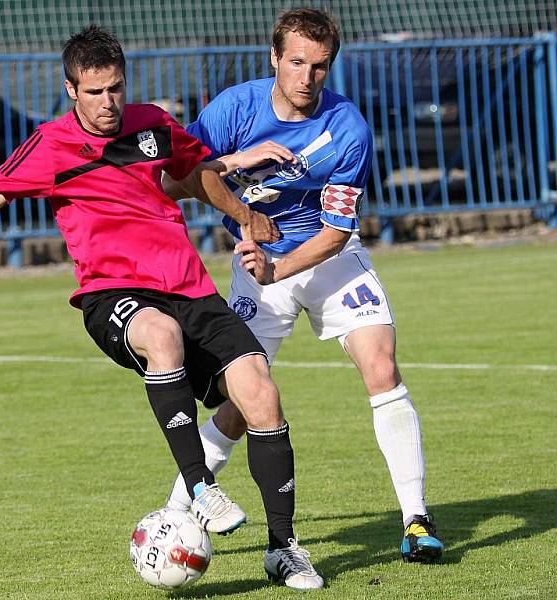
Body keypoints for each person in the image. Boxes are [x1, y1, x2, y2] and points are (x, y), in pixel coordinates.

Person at [0, 26, 324, 590]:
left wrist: (245, 215)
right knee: (161, 335)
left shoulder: (151, 124)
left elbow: (195, 173)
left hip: (188, 285)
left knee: (259, 393)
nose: (108, 104)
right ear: (71, 89)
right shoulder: (49, 145)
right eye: (95, 93)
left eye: (116, 89)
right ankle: (199, 485)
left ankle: (283, 548)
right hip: (112, 293)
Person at [163, 8, 444, 563]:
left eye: (319, 66)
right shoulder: (235, 109)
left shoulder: (348, 129)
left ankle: (415, 519)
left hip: (324, 260)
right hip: (257, 263)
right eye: (296, 62)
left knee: (381, 365)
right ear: (274, 58)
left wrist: (280, 268)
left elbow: (339, 232)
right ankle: (178, 509)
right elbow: (175, 180)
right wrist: (240, 193)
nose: (306, 78)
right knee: (243, 401)